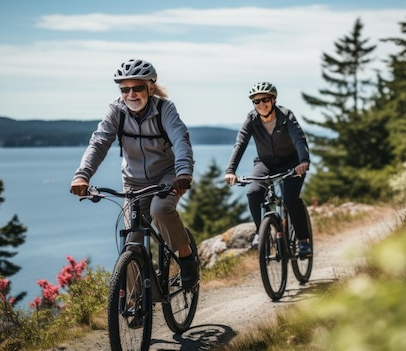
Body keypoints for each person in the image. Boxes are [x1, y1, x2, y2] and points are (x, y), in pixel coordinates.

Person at [70, 58, 199, 289]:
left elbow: (180, 140)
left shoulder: (164, 109)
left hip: (168, 176)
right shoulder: (116, 111)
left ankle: (186, 256)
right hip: (133, 181)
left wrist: (183, 172)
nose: (131, 94)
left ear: (150, 86)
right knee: (133, 240)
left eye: (137, 88)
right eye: (125, 89)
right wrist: (82, 175)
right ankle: (135, 302)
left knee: (160, 210)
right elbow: (99, 143)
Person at [224, 81, 312, 258]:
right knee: (254, 192)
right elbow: (240, 144)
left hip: (292, 162)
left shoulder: (286, 116)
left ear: (273, 100)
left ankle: (303, 242)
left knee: (290, 199)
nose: (261, 104)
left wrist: (303, 161)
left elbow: (299, 140)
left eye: (265, 99)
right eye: (256, 101)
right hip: (265, 163)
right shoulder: (252, 119)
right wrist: (230, 170)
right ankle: (261, 232)